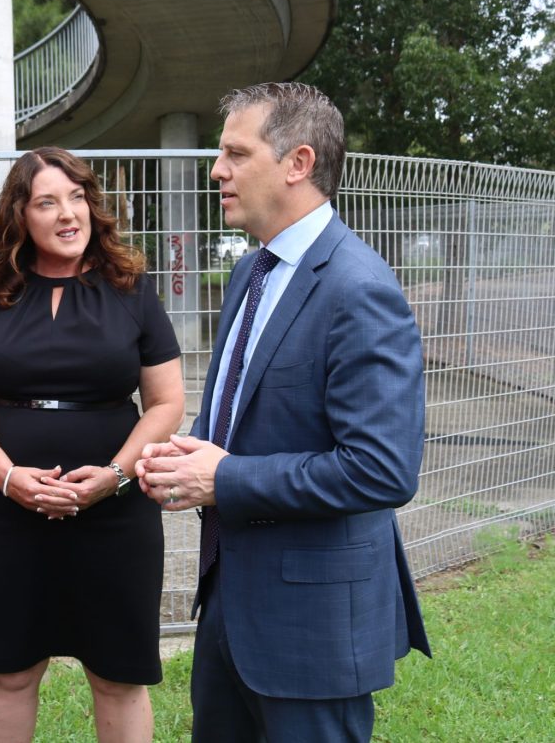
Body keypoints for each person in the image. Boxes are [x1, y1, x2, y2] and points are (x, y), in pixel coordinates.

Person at [136, 82, 431, 742]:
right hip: (230, 613)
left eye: (236, 154)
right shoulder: (253, 271)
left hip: (312, 634)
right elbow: (249, 418)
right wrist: (191, 456)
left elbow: (382, 470)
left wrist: (225, 477)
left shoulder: (360, 290)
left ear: (298, 163)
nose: (218, 170)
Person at [0, 147, 185, 742]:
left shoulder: (131, 286)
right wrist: (7, 478)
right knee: (14, 671)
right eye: (47, 202)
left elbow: (167, 402)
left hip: (115, 513)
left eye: (77, 197)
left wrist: (116, 475)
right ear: (20, 215)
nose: (67, 214)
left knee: (118, 675)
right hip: (9, 513)